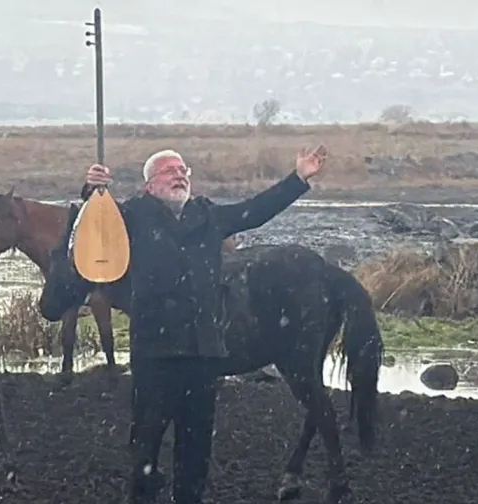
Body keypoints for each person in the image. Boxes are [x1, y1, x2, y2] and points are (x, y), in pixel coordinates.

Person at [48, 145, 326, 504]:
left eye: (183, 170)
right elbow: (94, 232)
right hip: (155, 356)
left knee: (195, 457)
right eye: (169, 171)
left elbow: (254, 211)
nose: (180, 175)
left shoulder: (206, 215)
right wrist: (92, 192)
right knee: (144, 451)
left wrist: (298, 178)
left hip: (203, 355)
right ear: (149, 184)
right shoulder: (130, 216)